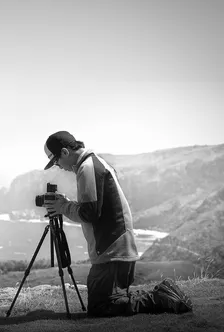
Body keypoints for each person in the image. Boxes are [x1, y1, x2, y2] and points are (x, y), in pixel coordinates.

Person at [43, 130, 193, 316]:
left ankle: (162, 297)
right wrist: (65, 204)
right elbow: (95, 208)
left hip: (111, 251)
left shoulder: (87, 168)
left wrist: (63, 206)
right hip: (118, 248)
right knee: (107, 300)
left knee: (101, 308)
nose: (58, 166)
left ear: (65, 152)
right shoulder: (94, 162)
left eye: (56, 161)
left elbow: (89, 213)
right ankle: (163, 293)